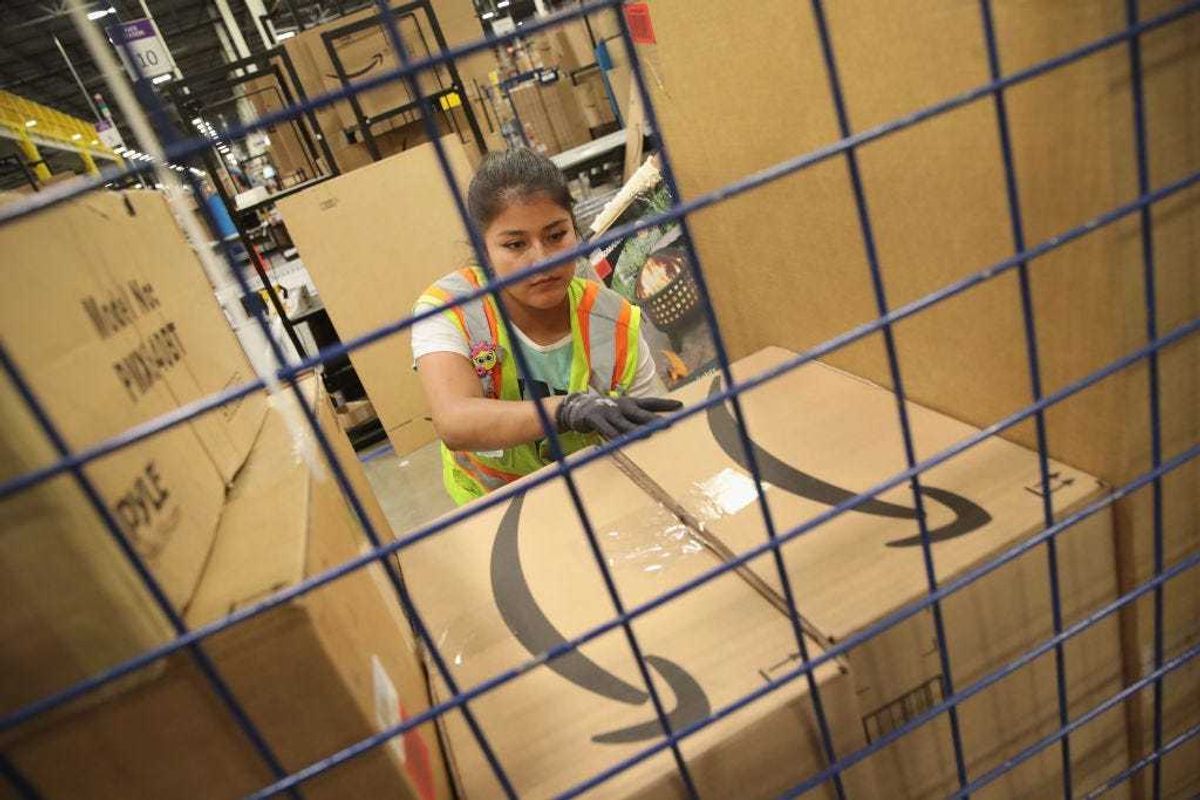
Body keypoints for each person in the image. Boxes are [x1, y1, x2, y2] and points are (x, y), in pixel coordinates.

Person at [412, 147, 681, 505]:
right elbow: (453, 420)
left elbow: (658, 431)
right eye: (515, 244)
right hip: (494, 503)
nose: (542, 260)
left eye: (556, 235)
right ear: (484, 249)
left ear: (574, 228)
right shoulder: (450, 308)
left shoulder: (614, 321)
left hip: (593, 491)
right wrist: (567, 410)